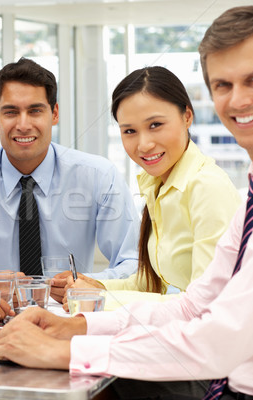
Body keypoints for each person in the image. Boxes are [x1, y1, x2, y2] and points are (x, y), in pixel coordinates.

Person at [0, 6, 253, 399]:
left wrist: (68, 350)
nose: (237, 100)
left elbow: (218, 336)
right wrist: (80, 327)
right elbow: (191, 306)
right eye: (222, 85)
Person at [0, 58, 140, 299]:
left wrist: (85, 283)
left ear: (54, 114)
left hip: (70, 314)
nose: (23, 125)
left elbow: (133, 263)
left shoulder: (99, 175)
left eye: (35, 111)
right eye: (11, 112)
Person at [65, 66, 240, 310]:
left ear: (187, 116)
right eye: (129, 131)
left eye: (155, 125)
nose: (144, 144)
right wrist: (93, 286)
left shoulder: (206, 187)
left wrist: (100, 300)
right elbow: (151, 284)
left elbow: (204, 303)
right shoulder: (158, 185)